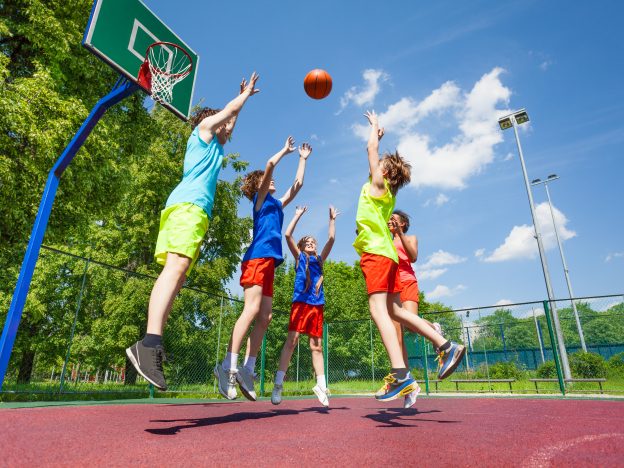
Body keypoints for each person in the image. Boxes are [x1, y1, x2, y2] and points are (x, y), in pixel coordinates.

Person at [126, 73, 260, 391]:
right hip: (187, 207)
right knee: (175, 268)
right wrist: (244, 97)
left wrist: (239, 105)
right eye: (224, 123)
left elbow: (230, 120)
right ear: (212, 123)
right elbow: (225, 115)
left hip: (194, 212)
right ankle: (149, 343)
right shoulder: (202, 133)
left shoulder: (215, 147)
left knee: (179, 273)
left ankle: (151, 342)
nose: (230, 128)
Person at [354, 110, 465, 405]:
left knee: (378, 310)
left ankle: (400, 374)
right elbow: (373, 154)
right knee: (394, 310)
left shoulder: (378, 187)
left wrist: (375, 130)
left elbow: (369, 149)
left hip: (376, 252)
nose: (375, 165)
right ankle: (445, 345)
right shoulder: (386, 194)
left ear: (386, 173)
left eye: (380, 165)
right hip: (386, 254)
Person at [214, 137, 312, 400]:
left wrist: (302, 159)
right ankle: (227, 366)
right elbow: (269, 164)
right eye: (267, 180)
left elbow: (297, 186)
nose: (272, 181)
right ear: (259, 185)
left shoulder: (277, 205)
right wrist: (285, 151)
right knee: (251, 310)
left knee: (265, 317)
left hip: (269, 263)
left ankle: (248, 368)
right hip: (256, 258)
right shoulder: (260, 202)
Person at [271, 205, 339, 407]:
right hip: (301, 303)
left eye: (313, 242)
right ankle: (278, 384)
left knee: (316, 346)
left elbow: (332, 240)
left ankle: (321, 385)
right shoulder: (300, 257)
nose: (311, 244)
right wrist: (297, 215)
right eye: (307, 242)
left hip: (316, 305)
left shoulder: (319, 259)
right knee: (292, 342)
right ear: (302, 247)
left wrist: (332, 220)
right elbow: (287, 234)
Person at [388, 210, 441, 408]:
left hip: (407, 282)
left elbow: (413, 256)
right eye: (389, 219)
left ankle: (433, 328)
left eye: (394, 219)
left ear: (403, 224)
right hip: (391, 287)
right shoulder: (386, 240)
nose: (390, 222)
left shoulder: (410, 237)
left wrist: (399, 235)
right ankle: (409, 385)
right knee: (397, 338)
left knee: (410, 321)